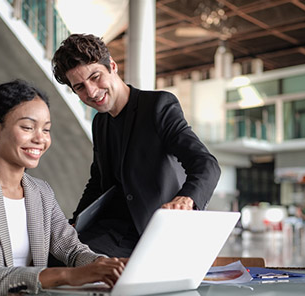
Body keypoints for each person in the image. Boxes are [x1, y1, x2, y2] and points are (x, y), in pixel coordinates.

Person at [0, 80, 126, 296]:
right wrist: (65, 275)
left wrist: (104, 265)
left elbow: (72, 249)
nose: (40, 138)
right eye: (28, 127)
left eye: (46, 129)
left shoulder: (41, 192)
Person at [51, 34, 221, 258]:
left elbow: (206, 164)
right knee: (54, 254)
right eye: (80, 87)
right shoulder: (100, 122)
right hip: (111, 229)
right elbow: (97, 182)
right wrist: (75, 223)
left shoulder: (158, 106)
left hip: (150, 230)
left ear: (112, 66)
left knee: (68, 262)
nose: (91, 92)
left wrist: (186, 199)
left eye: (95, 77)